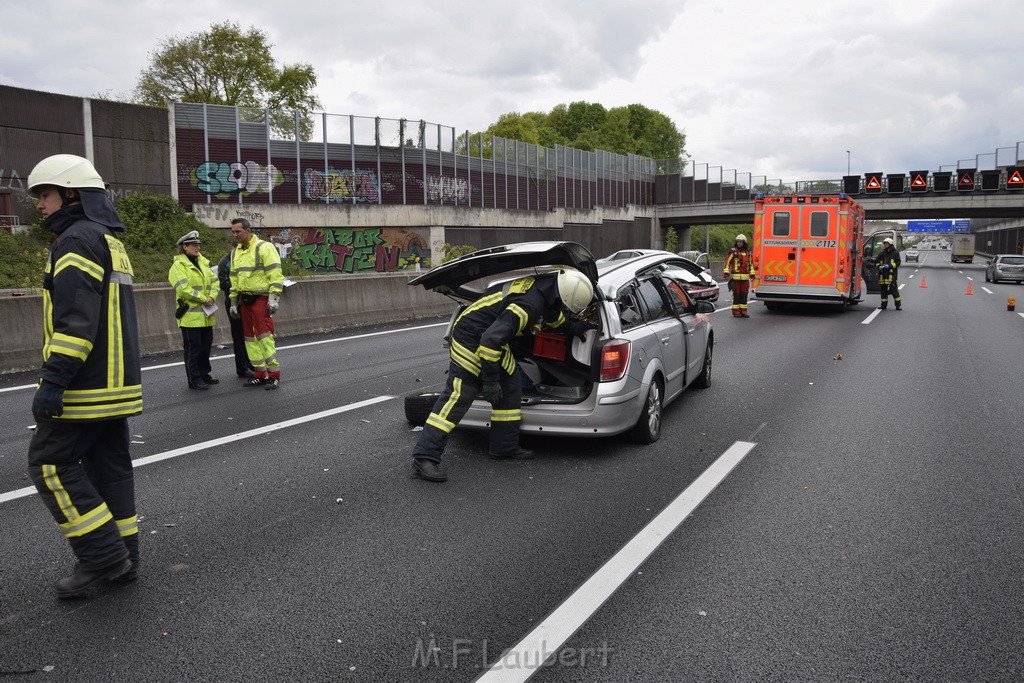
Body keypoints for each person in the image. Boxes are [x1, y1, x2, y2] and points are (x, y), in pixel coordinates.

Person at [25, 154, 143, 598]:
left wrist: (54, 379)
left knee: (49, 464)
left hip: (84, 386)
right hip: (118, 385)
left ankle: (101, 556)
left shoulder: (75, 241)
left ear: (71, 193)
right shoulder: (109, 240)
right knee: (110, 469)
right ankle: (124, 559)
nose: (40, 204)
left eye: (46, 193)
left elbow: (76, 320)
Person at [411, 269, 596, 483]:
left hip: (491, 336)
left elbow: (555, 319)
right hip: (471, 336)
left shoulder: (548, 291)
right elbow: (490, 342)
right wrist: (490, 382)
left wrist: (575, 327)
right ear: (564, 296)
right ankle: (425, 456)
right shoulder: (529, 305)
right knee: (460, 394)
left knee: (510, 385)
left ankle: (504, 448)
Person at [228, 218, 285, 389]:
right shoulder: (235, 252)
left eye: (238, 231)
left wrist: (273, 298)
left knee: (264, 336)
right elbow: (234, 279)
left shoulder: (264, 247)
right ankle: (260, 373)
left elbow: (275, 274)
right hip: (245, 299)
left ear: (248, 230)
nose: (235, 235)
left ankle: (273, 374)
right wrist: (233, 301)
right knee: (249, 339)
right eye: (233, 232)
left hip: (260, 298)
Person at [169, 230, 219, 389]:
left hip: (206, 315)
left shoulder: (204, 262)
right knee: (193, 349)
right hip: (190, 317)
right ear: (185, 247)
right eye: (194, 245)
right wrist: (204, 298)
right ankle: (194, 379)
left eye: (198, 244)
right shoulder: (178, 266)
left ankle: (204, 374)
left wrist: (212, 296)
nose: (198, 247)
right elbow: (183, 289)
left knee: (205, 348)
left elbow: (215, 281)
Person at [217, 249, 256, 379]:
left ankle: (251, 363)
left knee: (249, 335)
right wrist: (238, 286)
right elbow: (223, 284)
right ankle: (242, 367)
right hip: (233, 302)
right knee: (238, 335)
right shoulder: (224, 262)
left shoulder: (244, 258)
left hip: (246, 301)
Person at [723, 233, 755, 317]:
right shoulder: (733, 251)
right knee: (736, 295)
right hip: (736, 278)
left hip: (745, 278)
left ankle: (743, 312)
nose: (739, 243)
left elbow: (751, 264)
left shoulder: (748, 253)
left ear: (744, 242)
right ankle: (736, 312)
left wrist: (752, 274)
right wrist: (726, 273)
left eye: (741, 242)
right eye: (738, 242)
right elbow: (727, 262)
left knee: (744, 295)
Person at [876, 237, 902, 310]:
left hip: (892, 275)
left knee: (894, 290)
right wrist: (879, 267)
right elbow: (876, 261)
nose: (885, 245)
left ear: (890, 244)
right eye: (884, 244)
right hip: (883, 275)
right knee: (883, 291)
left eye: (886, 244)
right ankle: (883, 305)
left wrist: (889, 266)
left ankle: (898, 305)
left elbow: (898, 262)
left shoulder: (895, 253)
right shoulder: (882, 253)